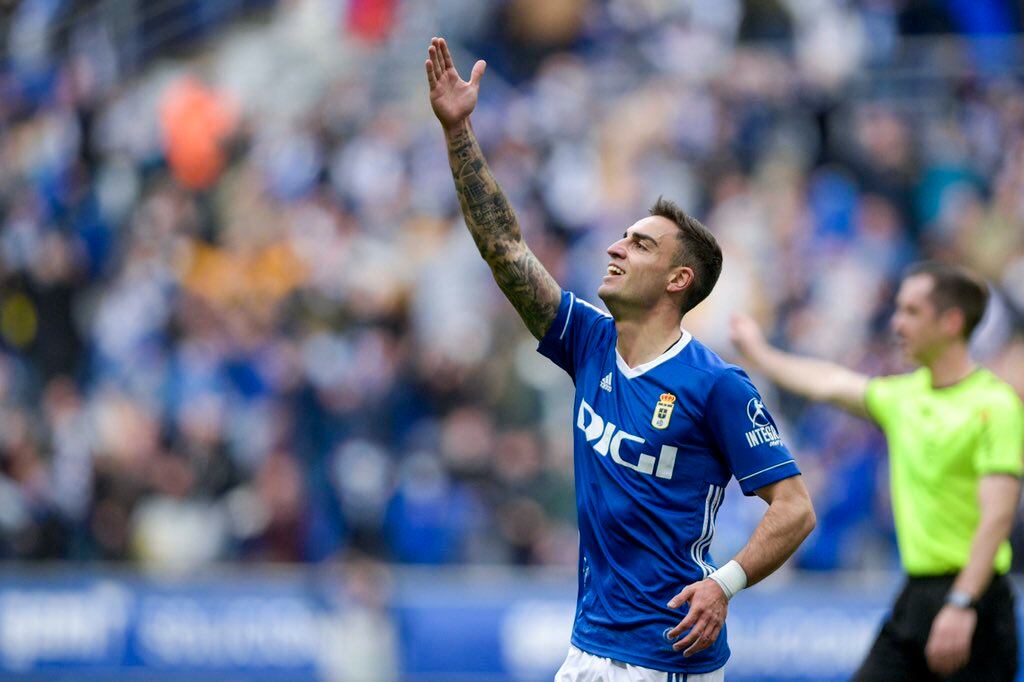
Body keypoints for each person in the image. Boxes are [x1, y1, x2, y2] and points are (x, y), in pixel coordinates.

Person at [425, 37, 816, 681]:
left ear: (678, 280)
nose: (615, 247)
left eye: (639, 244)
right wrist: (459, 130)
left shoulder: (714, 384)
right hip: (587, 649)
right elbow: (505, 248)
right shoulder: (589, 342)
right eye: (622, 236)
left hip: (665, 659)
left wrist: (725, 584)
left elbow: (795, 507)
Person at [730, 261, 1023, 681]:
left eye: (912, 312)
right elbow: (827, 382)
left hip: (975, 600)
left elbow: (997, 516)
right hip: (917, 596)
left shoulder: (995, 406)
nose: (897, 323)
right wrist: (760, 354)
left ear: (952, 321)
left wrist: (962, 603)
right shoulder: (902, 397)